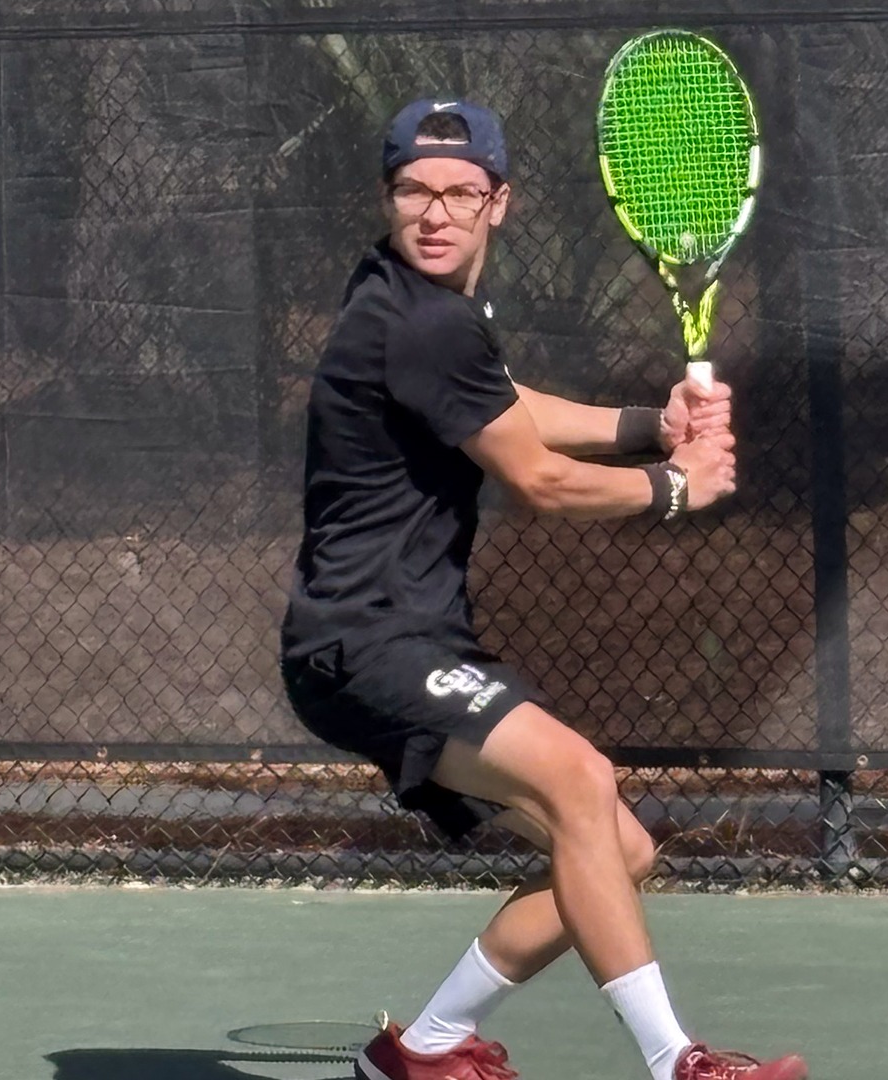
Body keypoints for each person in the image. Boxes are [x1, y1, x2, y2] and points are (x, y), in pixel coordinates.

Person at [279, 98, 809, 1080]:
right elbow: (536, 479)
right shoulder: (421, 319)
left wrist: (654, 421)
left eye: (458, 192)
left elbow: (503, 407)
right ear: (389, 200)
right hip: (364, 642)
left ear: (499, 202)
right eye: (412, 192)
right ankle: (676, 1064)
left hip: (405, 637)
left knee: (615, 849)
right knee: (579, 781)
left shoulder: (417, 310)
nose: (434, 213)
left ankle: (423, 1050)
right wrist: (677, 489)